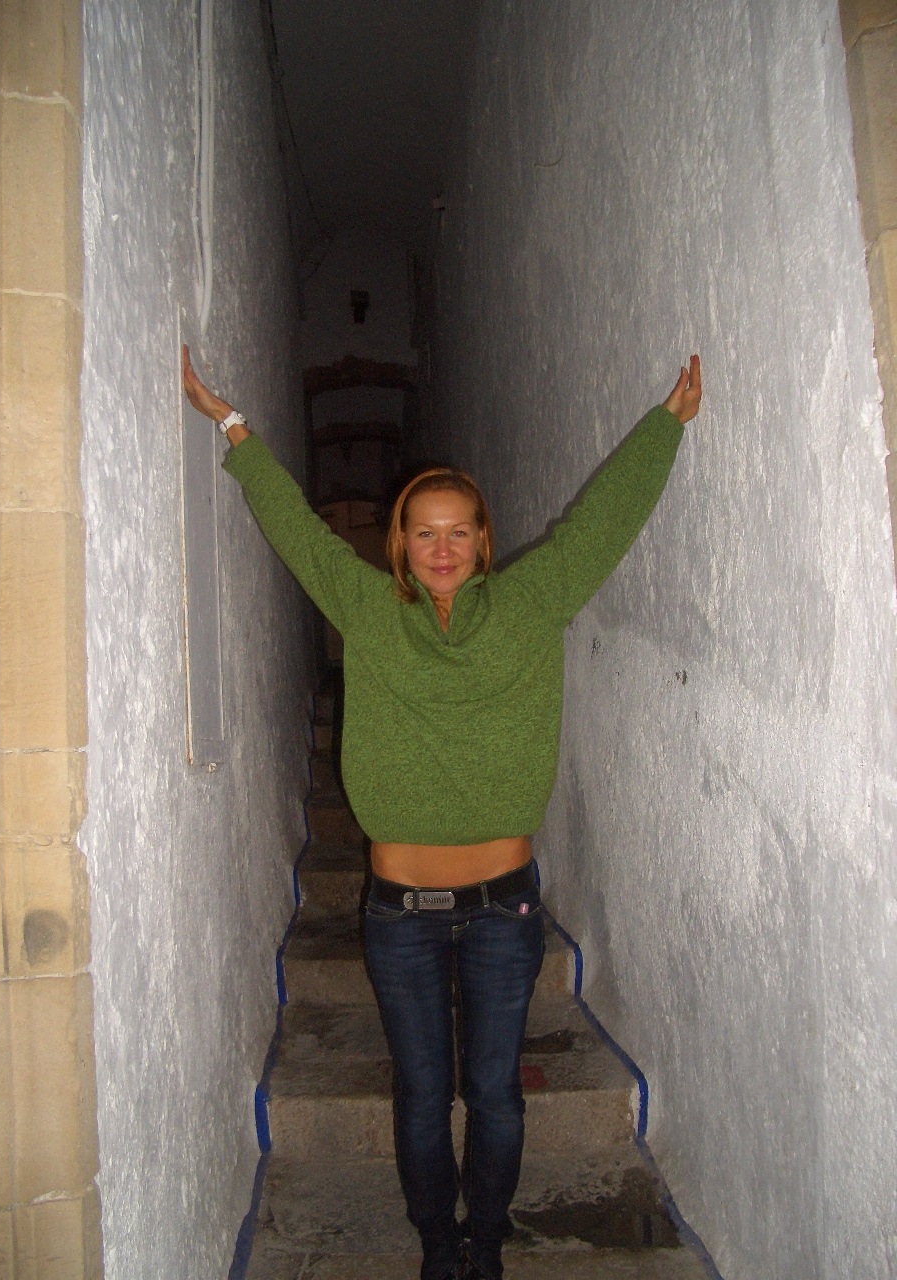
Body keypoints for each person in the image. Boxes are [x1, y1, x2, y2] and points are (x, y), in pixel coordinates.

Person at [183, 346, 701, 1280]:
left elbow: (600, 525)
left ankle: (487, 1244)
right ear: (399, 542)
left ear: (484, 538)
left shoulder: (532, 601)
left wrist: (667, 425)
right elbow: (297, 531)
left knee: (495, 1096)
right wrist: (232, 425)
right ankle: (437, 1247)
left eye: (459, 530)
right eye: (424, 532)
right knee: (423, 1096)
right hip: (400, 915)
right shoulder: (369, 611)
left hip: (505, 907)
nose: (443, 547)